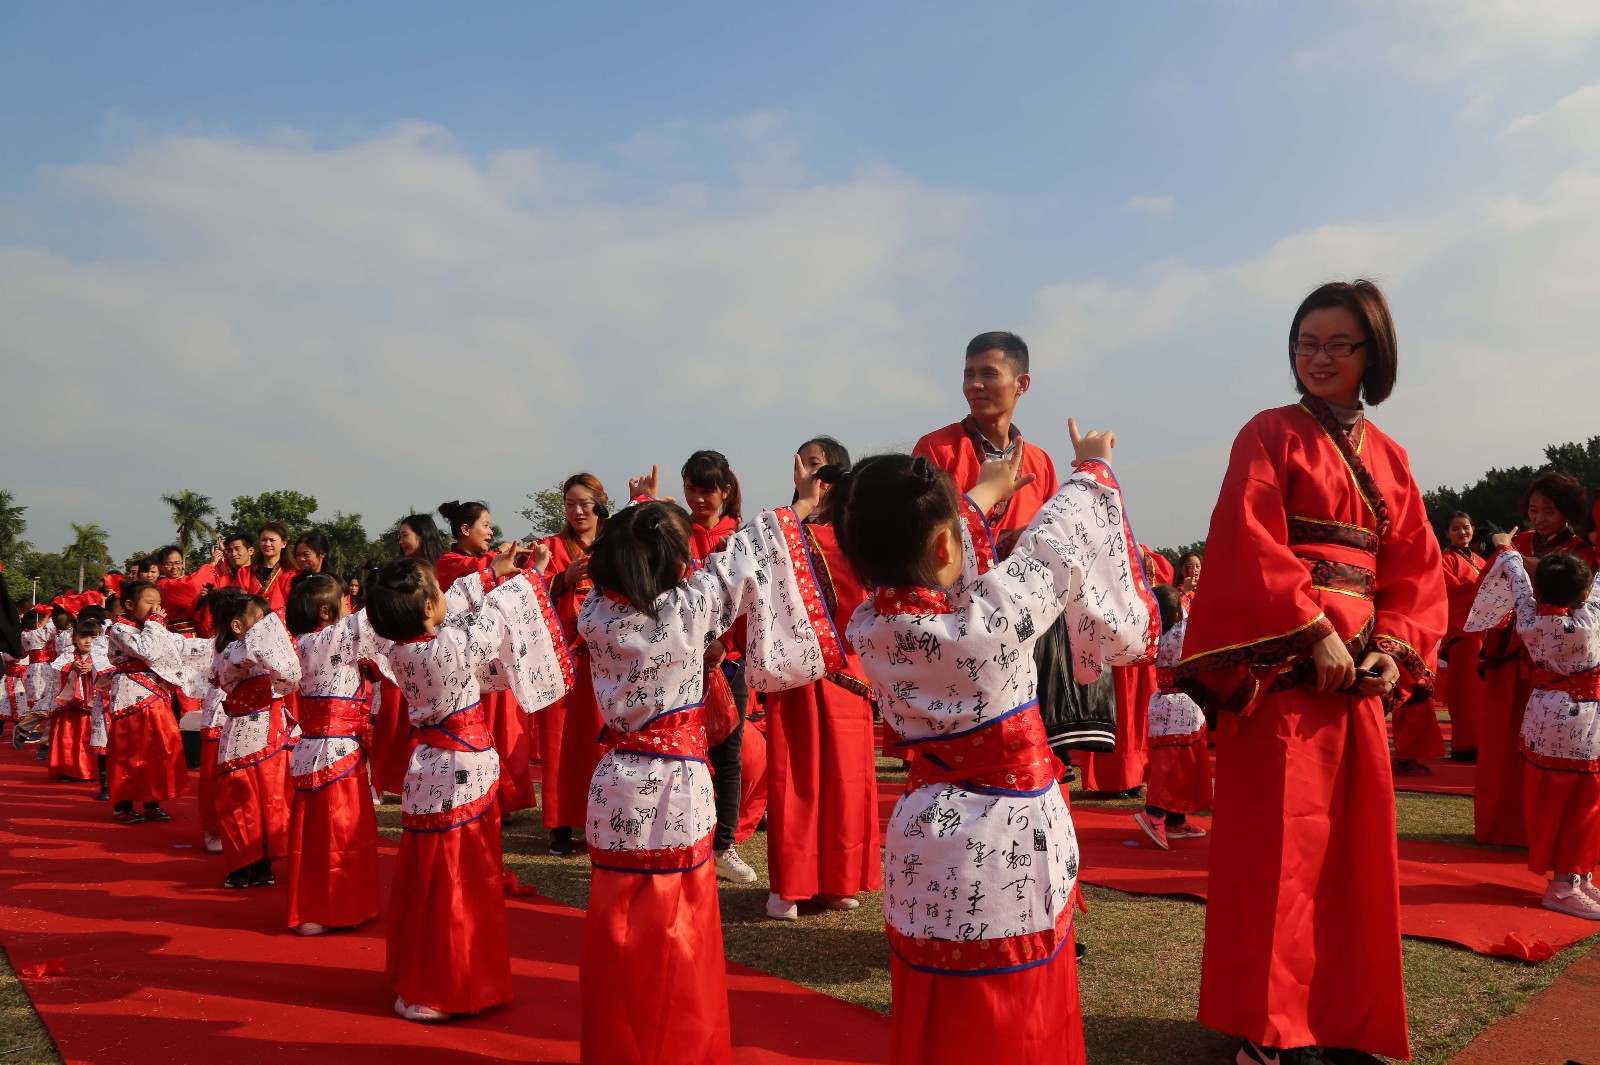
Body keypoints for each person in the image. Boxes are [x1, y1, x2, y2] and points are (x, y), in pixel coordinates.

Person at [1176, 279, 1446, 1064]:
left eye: (1338, 344)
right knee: (1277, 858)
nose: (1319, 357)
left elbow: (1417, 570)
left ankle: (1342, 1019)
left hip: (1360, 676)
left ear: (1373, 355)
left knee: (1353, 857)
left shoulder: (1392, 457)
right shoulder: (1267, 432)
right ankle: (1271, 1030)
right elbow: (1247, 538)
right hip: (1287, 675)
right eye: (1306, 342)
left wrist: (1390, 651)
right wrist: (1311, 634)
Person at [835, 426, 1155, 1065]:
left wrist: (985, 490)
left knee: (937, 1003)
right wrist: (1093, 466)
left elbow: (940, 559)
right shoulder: (991, 620)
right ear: (947, 543)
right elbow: (1054, 544)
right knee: (1016, 1010)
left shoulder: (867, 626)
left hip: (923, 833)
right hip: (1006, 838)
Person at [577, 461, 844, 1065]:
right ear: (675, 567)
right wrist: (801, 502)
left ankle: (616, 1046)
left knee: (616, 919)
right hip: (674, 784)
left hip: (617, 778)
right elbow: (744, 556)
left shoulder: (594, 616)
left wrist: (640, 513)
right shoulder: (685, 614)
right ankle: (680, 1047)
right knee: (679, 925)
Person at [366, 544, 569, 1023]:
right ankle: (445, 986)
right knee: (459, 877)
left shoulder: (401, 651)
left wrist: (490, 573)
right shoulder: (448, 646)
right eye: (437, 591)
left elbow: (454, 608)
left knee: (428, 876)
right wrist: (531, 576)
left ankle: (417, 978)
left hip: (427, 769)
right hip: (462, 770)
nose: (444, 594)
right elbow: (491, 619)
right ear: (426, 608)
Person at [912, 331, 1117, 766]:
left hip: (1026, 626)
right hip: (962, 622)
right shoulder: (937, 448)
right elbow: (923, 537)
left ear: (1022, 384)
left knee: (1028, 751)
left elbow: (1059, 544)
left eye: (988, 373)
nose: (975, 385)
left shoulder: (1040, 461)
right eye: (968, 374)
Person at [764, 436, 882, 920]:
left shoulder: (858, 535)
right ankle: (790, 885)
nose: (812, 475)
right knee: (796, 777)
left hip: (847, 674)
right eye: (805, 466)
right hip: (795, 671)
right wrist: (798, 507)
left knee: (846, 780)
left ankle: (837, 879)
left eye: (821, 466)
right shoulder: (780, 530)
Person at [1467, 541, 1600, 917]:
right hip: (1582, 723)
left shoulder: (1528, 619)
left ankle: (1577, 877)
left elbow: (1518, 581)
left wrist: (1507, 550)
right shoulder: (1588, 621)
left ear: (1539, 589)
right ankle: (1562, 884)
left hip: (1544, 716)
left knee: (1558, 802)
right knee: (1580, 804)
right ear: (1585, 591)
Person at [1475, 471, 1597, 847]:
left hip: (1552, 665)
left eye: (1549, 510)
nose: (1539, 518)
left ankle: (1544, 835)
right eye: (1533, 509)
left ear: (1569, 513)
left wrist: (1510, 555)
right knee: (1500, 744)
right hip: (1508, 656)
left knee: (1550, 755)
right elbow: (1487, 587)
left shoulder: (1582, 551)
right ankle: (1500, 826)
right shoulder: (1521, 541)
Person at [284, 573, 392, 935]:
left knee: (315, 833)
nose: (352, 609)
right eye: (347, 604)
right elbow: (380, 612)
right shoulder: (331, 638)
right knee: (340, 832)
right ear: (328, 613)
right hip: (337, 751)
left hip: (315, 748)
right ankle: (331, 909)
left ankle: (318, 907)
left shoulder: (299, 643)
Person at [678, 450, 758, 885]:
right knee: (684, 755)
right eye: (691, 487)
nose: (698, 498)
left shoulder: (742, 539)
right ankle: (686, 839)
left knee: (728, 756)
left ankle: (724, 845)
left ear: (725, 491)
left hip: (727, 664)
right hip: (679, 664)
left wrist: (725, 647)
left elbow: (752, 603)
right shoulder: (673, 535)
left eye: (707, 489)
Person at [435, 500, 536, 816]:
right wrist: (497, 560)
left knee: (505, 729)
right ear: (466, 530)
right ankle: (483, 798)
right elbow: (473, 576)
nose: (491, 531)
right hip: (467, 664)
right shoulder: (449, 562)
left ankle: (504, 800)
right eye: (486, 525)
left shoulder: (485, 562)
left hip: (494, 657)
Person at [209, 589, 301, 889]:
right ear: (237, 626)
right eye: (262, 622)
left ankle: (263, 859)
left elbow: (289, 679)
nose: (268, 628)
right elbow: (232, 669)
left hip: (272, 732)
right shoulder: (227, 654)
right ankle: (239, 862)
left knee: (271, 800)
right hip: (240, 738)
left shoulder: (270, 653)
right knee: (238, 800)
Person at [537, 474, 609, 856]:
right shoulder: (550, 546)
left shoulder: (615, 544)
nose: (578, 511)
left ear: (600, 503)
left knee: (599, 739)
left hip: (606, 661)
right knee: (560, 740)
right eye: (570, 504)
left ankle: (600, 817)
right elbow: (529, 594)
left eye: (584, 503)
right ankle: (560, 824)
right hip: (563, 659)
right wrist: (562, 579)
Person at [100, 580, 210, 824]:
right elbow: (147, 650)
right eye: (150, 603)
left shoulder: (154, 627)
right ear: (129, 605)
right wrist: (156, 622)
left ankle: (152, 801)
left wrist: (221, 642)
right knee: (129, 752)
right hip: (131, 699)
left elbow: (181, 645)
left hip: (157, 697)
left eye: (159, 604)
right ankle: (123, 805)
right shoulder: (121, 629)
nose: (157, 609)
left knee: (159, 749)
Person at [369, 513, 446, 800]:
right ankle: (379, 781)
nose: (401, 541)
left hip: (434, 650)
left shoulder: (442, 566)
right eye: (400, 535)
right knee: (391, 717)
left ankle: (413, 779)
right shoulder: (397, 570)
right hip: (400, 649)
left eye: (405, 535)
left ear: (422, 536)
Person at [1133, 584, 1212, 849]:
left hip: (1162, 702)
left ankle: (1175, 818)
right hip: (1182, 706)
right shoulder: (1184, 630)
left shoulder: (1152, 631)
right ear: (1178, 613)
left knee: (1171, 765)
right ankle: (1155, 814)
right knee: (1174, 768)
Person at [1439, 512, 1487, 763]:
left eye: (1466, 528)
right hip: (1463, 635)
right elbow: (1450, 593)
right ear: (1447, 533)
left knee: (1480, 695)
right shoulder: (1444, 560)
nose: (1462, 533)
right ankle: (1466, 745)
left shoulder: (1479, 560)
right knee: (1464, 696)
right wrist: (1483, 588)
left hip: (1482, 636)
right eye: (1455, 529)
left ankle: (1481, 744)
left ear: (1473, 529)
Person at [47, 619, 108, 783]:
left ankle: (93, 771)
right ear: (74, 638)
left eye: (93, 637)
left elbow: (110, 671)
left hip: (94, 707)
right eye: (83, 637)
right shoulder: (68, 655)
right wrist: (70, 667)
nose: (88, 641)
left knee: (92, 738)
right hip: (71, 707)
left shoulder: (103, 655)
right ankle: (70, 770)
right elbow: (54, 668)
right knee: (70, 741)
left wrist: (93, 668)